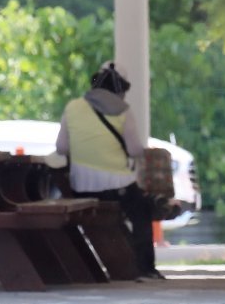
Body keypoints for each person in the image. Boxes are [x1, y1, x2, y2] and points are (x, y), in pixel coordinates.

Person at [55, 60, 163, 281]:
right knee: (142, 210)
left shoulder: (73, 106)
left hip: (81, 187)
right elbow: (134, 151)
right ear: (121, 89)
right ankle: (145, 269)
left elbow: (61, 148)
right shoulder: (123, 110)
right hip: (117, 186)